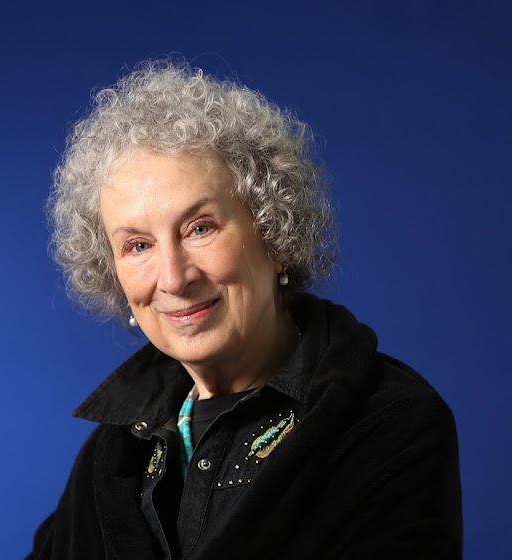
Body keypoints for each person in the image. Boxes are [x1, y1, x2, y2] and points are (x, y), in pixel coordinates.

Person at [30, 59, 462, 559]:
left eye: (200, 228)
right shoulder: (111, 455)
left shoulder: (390, 424)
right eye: (138, 245)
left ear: (274, 234)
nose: (173, 278)